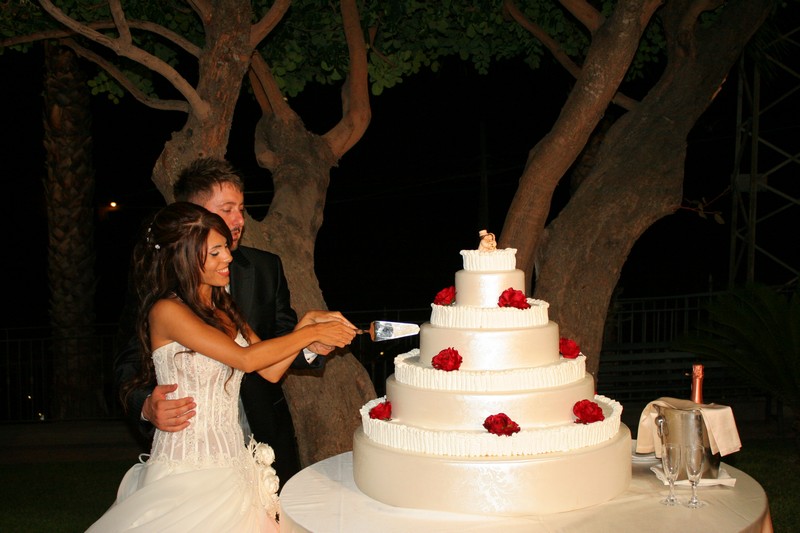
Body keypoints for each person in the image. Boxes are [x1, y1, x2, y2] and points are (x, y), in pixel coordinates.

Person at [90, 203, 357, 531]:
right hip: (188, 469)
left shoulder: (224, 306)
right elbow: (245, 359)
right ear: (184, 258)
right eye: (215, 253)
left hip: (234, 464)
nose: (228, 257)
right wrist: (311, 333)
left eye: (226, 249)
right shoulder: (167, 311)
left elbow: (270, 370)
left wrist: (305, 326)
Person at [115, 158, 324, 484]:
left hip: (255, 441)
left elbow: (273, 353)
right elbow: (128, 360)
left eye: (241, 209)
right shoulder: (161, 299)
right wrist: (145, 406)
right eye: (227, 210)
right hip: (190, 453)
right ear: (193, 217)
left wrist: (310, 336)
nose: (239, 220)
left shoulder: (258, 275)